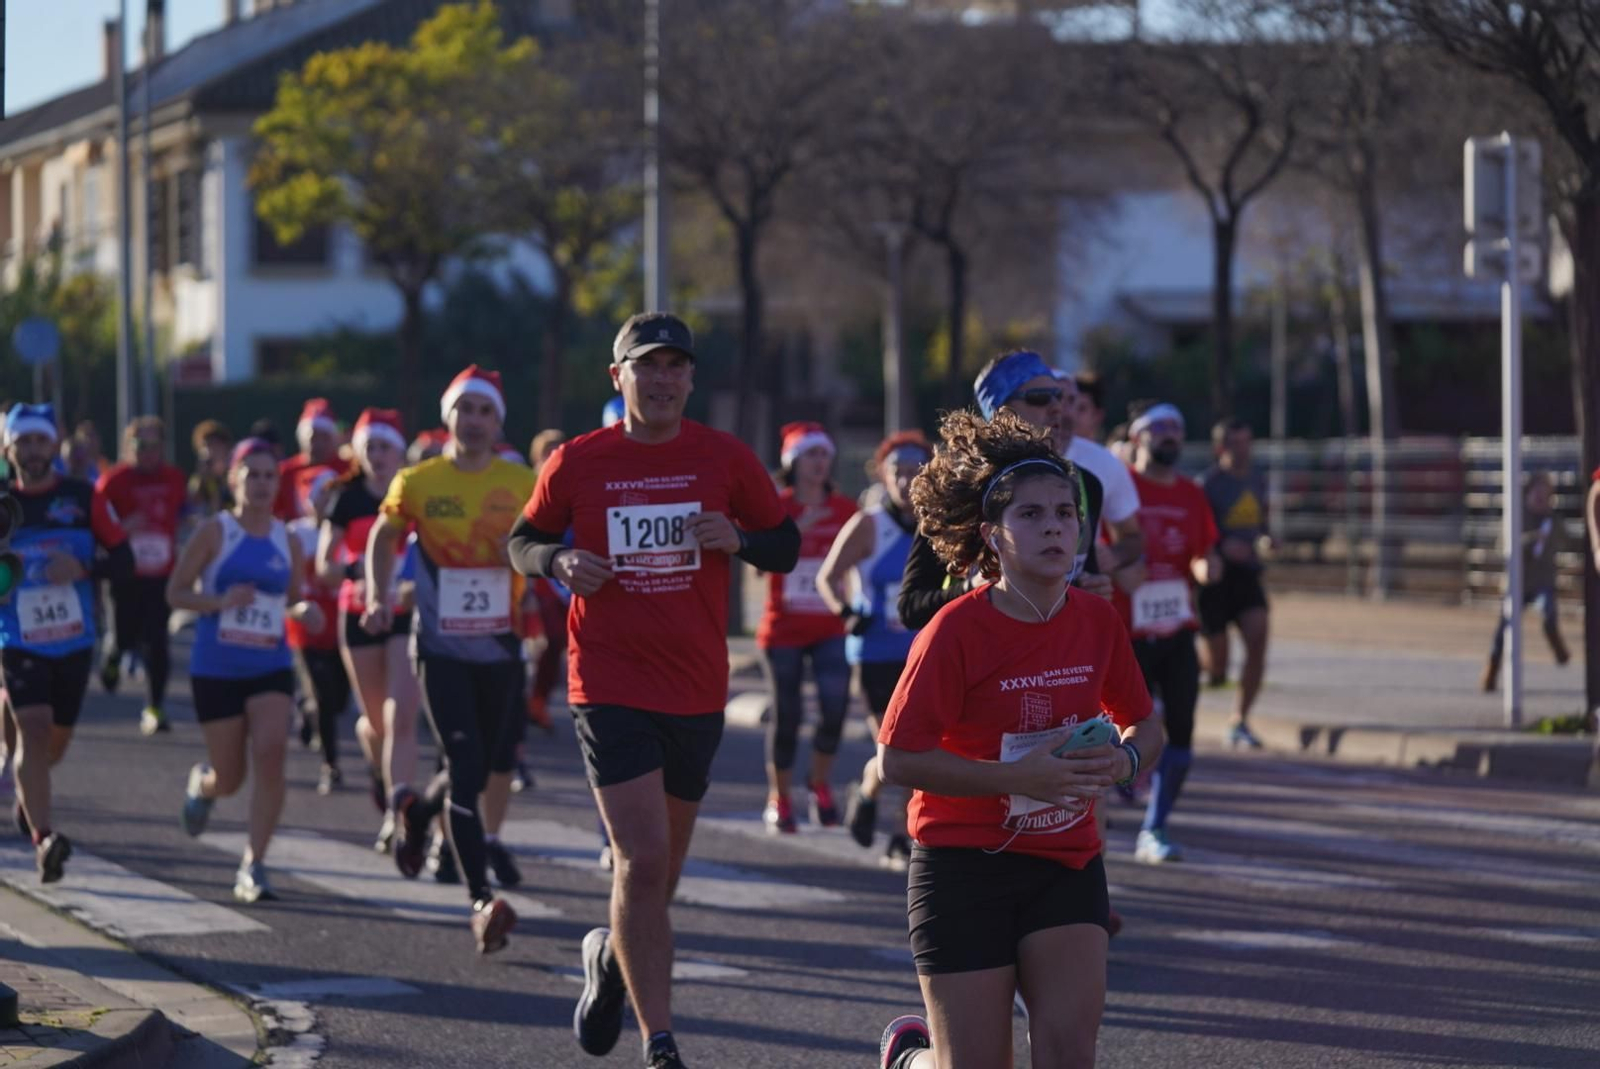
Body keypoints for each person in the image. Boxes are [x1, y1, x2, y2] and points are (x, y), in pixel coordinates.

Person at [509, 311, 799, 1069]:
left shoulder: (725, 457)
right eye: (647, 365)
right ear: (619, 377)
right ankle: (660, 1041)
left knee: (658, 877)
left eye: (676, 366)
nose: (663, 379)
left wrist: (740, 539)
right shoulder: (578, 461)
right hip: (607, 680)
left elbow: (786, 542)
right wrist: (557, 564)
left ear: (692, 379)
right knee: (639, 860)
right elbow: (522, 538)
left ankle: (609, 958)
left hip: (697, 687)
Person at [873, 407, 1158, 1069]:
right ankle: (913, 1061)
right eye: (1030, 515)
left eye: (1064, 512)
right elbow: (897, 758)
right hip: (961, 864)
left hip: (1065, 860)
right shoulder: (954, 631)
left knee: (1068, 1056)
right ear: (992, 536)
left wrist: (1125, 759)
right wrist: (1017, 778)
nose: (1054, 525)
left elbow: (1147, 721)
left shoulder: (1097, 618)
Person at [364, 367, 534, 954]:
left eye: (485, 411)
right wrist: (378, 595)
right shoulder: (418, 480)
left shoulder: (523, 480)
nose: (475, 421)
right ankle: (481, 899)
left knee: (486, 764)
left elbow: (548, 538)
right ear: (448, 418)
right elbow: (383, 538)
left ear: (498, 421)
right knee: (465, 760)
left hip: (502, 646)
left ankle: (416, 808)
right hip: (438, 646)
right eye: (464, 409)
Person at [171, 438, 325, 902]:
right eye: (251, 474)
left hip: (270, 664)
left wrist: (305, 611)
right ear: (234, 479)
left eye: (268, 476)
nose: (260, 484)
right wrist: (219, 601)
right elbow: (175, 594)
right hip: (216, 666)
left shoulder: (288, 538)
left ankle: (253, 863)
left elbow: (294, 596)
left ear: (278, 484)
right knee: (231, 776)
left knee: (273, 752)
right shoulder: (214, 533)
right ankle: (206, 784)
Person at [898, 351, 1142, 633]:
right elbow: (910, 608)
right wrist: (973, 589)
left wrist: (1094, 589)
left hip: (1057, 659)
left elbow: (1084, 576)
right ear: (1000, 412)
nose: (1056, 408)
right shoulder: (960, 487)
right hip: (983, 658)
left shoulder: (1085, 483)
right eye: (1040, 398)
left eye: (1059, 397)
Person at [1, 405, 132, 882]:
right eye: (24, 442)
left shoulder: (83, 497)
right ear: (8, 448)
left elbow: (125, 559)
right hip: (16, 638)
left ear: (53, 446)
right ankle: (44, 839)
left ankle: (27, 792)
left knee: (53, 744)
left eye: (40, 441)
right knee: (33, 732)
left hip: (74, 641)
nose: (33, 452)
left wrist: (83, 569)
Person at [816, 431, 931, 869]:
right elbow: (828, 577)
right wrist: (847, 611)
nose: (906, 479)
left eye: (916, 470)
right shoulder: (869, 524)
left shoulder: (938, 526)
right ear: (882, 474)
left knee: (920, 747)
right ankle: (870, 791)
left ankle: (904, 834)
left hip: (923, 652)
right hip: (876, 655)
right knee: (898, 748)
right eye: (897, 470)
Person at [1115, 404, 1221, 864]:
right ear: (1139, 437)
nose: (1171, 437)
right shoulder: (1119, 487)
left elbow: (1201, 551)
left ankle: (1154, 828)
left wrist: (1205, 567)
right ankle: (1123, 774)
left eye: (1177, 429)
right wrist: (1121, 569)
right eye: (1161, 429)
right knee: (1119, 725)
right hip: (1125, 634)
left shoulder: (1191, 495)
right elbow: (1099, 547)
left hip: (1177, 627)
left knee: (1181, 730)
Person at [318, 409, 422, 841]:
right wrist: (358, 571)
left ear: (399, 451)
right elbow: (324, 567)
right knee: (375, 724)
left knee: (401, 719)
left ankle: (400, 818)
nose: (376, 455)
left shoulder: (415, 493)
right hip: (358, 615)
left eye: (384, 447)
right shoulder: (346, 498)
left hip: (404, 616)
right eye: (369, 447)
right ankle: (382, 780)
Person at [755, 422, 856, 834]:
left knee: (834, 709)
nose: (819, 463)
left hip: (831, 626)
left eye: (824, 455)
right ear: (793, 463)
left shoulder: (846, 510)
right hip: (782, 630)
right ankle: (779, 798)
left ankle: (819, 784)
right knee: (788, 714)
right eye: (810, 455)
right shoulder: (775, 507)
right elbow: (759, 564)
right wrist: (796, 533)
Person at [97, 416, 188, 735]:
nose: (147, 453)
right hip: (125, 572)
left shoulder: (175, 478)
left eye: (153, 446)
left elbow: (185, 515)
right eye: (140, 446)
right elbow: (95, 526)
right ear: (127, 447)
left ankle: (154, 707)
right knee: (124, 636)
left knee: (157, 642)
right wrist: (122, 529)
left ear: (163, 447)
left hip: (160, 574)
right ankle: (112, 653)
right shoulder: (113, 481)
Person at [1197, 419, 1271, 748]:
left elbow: (1262, 521)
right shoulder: (1208, 484)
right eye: (1236, 443)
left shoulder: (1257, 478)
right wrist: (1222, 546)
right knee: (1217, 669)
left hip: (1247, 576)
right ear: (1221, 448)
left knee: (1258, 637)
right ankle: (1181, 663)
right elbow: (1198, 534)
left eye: (1247, 442)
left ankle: (1239, 719)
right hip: (1215, 580)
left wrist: (1268, 539)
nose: (1243, 449)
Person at [287, 468, 349, 794]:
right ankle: (331, 766)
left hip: (342, 631)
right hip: (307, 632)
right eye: (318, 494)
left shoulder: (347, 530)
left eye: (330, 493)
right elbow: (290, 586)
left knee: (339, 701)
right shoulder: (295, 534)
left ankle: (308, 710)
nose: (324, 501)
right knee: (325, 697)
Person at [1483, 470, 1570, 691]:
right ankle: (1492, 671)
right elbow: (1502, 546)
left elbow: (1570, 542)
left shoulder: (1553, 520)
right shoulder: (1517, 515)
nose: (1541, 497)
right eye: (1537, 491)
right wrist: (1531, 539)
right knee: (1504, 629)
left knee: (1549, 613)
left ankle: (1558, 646)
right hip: (1517, 584)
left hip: (1543, 583)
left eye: (1546, 492)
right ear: (1529, 493)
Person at [274, 399, 343, 522]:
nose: (319, 444)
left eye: (325, 437)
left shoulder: (347, 469)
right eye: (313, 437)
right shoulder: (285, 471)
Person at [187, 420, 235, 518]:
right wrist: (203, 478)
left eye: (215, 444)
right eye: (206, 445)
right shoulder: (199, 479)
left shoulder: (235, 477)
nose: (210, 450)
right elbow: (193, 505)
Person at [1073, 371, 1108, 445]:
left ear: (1098, 415)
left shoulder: (1106, 456)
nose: (1073, 414)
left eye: (1081, 409)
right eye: (1071, 406)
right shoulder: (1054, 454)